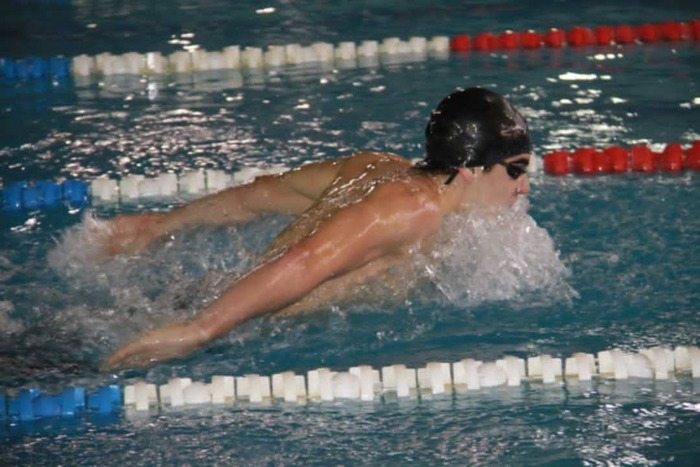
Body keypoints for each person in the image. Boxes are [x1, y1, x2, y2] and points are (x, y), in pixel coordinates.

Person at [102, 86, 532, 370]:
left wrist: (158, 226)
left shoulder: (376, 168)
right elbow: (307, 259)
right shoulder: (413, 210)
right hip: (228, 327)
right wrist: (200, 330)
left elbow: (261, 195)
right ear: (471, 169)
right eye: (516, 171)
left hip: (205, 297)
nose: (523, 188)